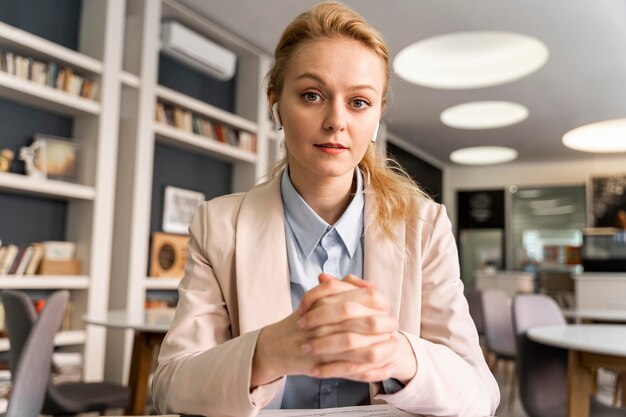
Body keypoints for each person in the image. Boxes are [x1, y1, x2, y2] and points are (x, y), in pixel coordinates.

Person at [152, 2, 499, 416]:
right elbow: (171, 385)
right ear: (275, 103)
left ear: (377, 116)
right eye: (312, 95)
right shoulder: (218, 226)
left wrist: (396, 354)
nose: (336, 121)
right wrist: (267, 352)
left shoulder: (425, 227)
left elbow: (480, 395)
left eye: (358, 102)